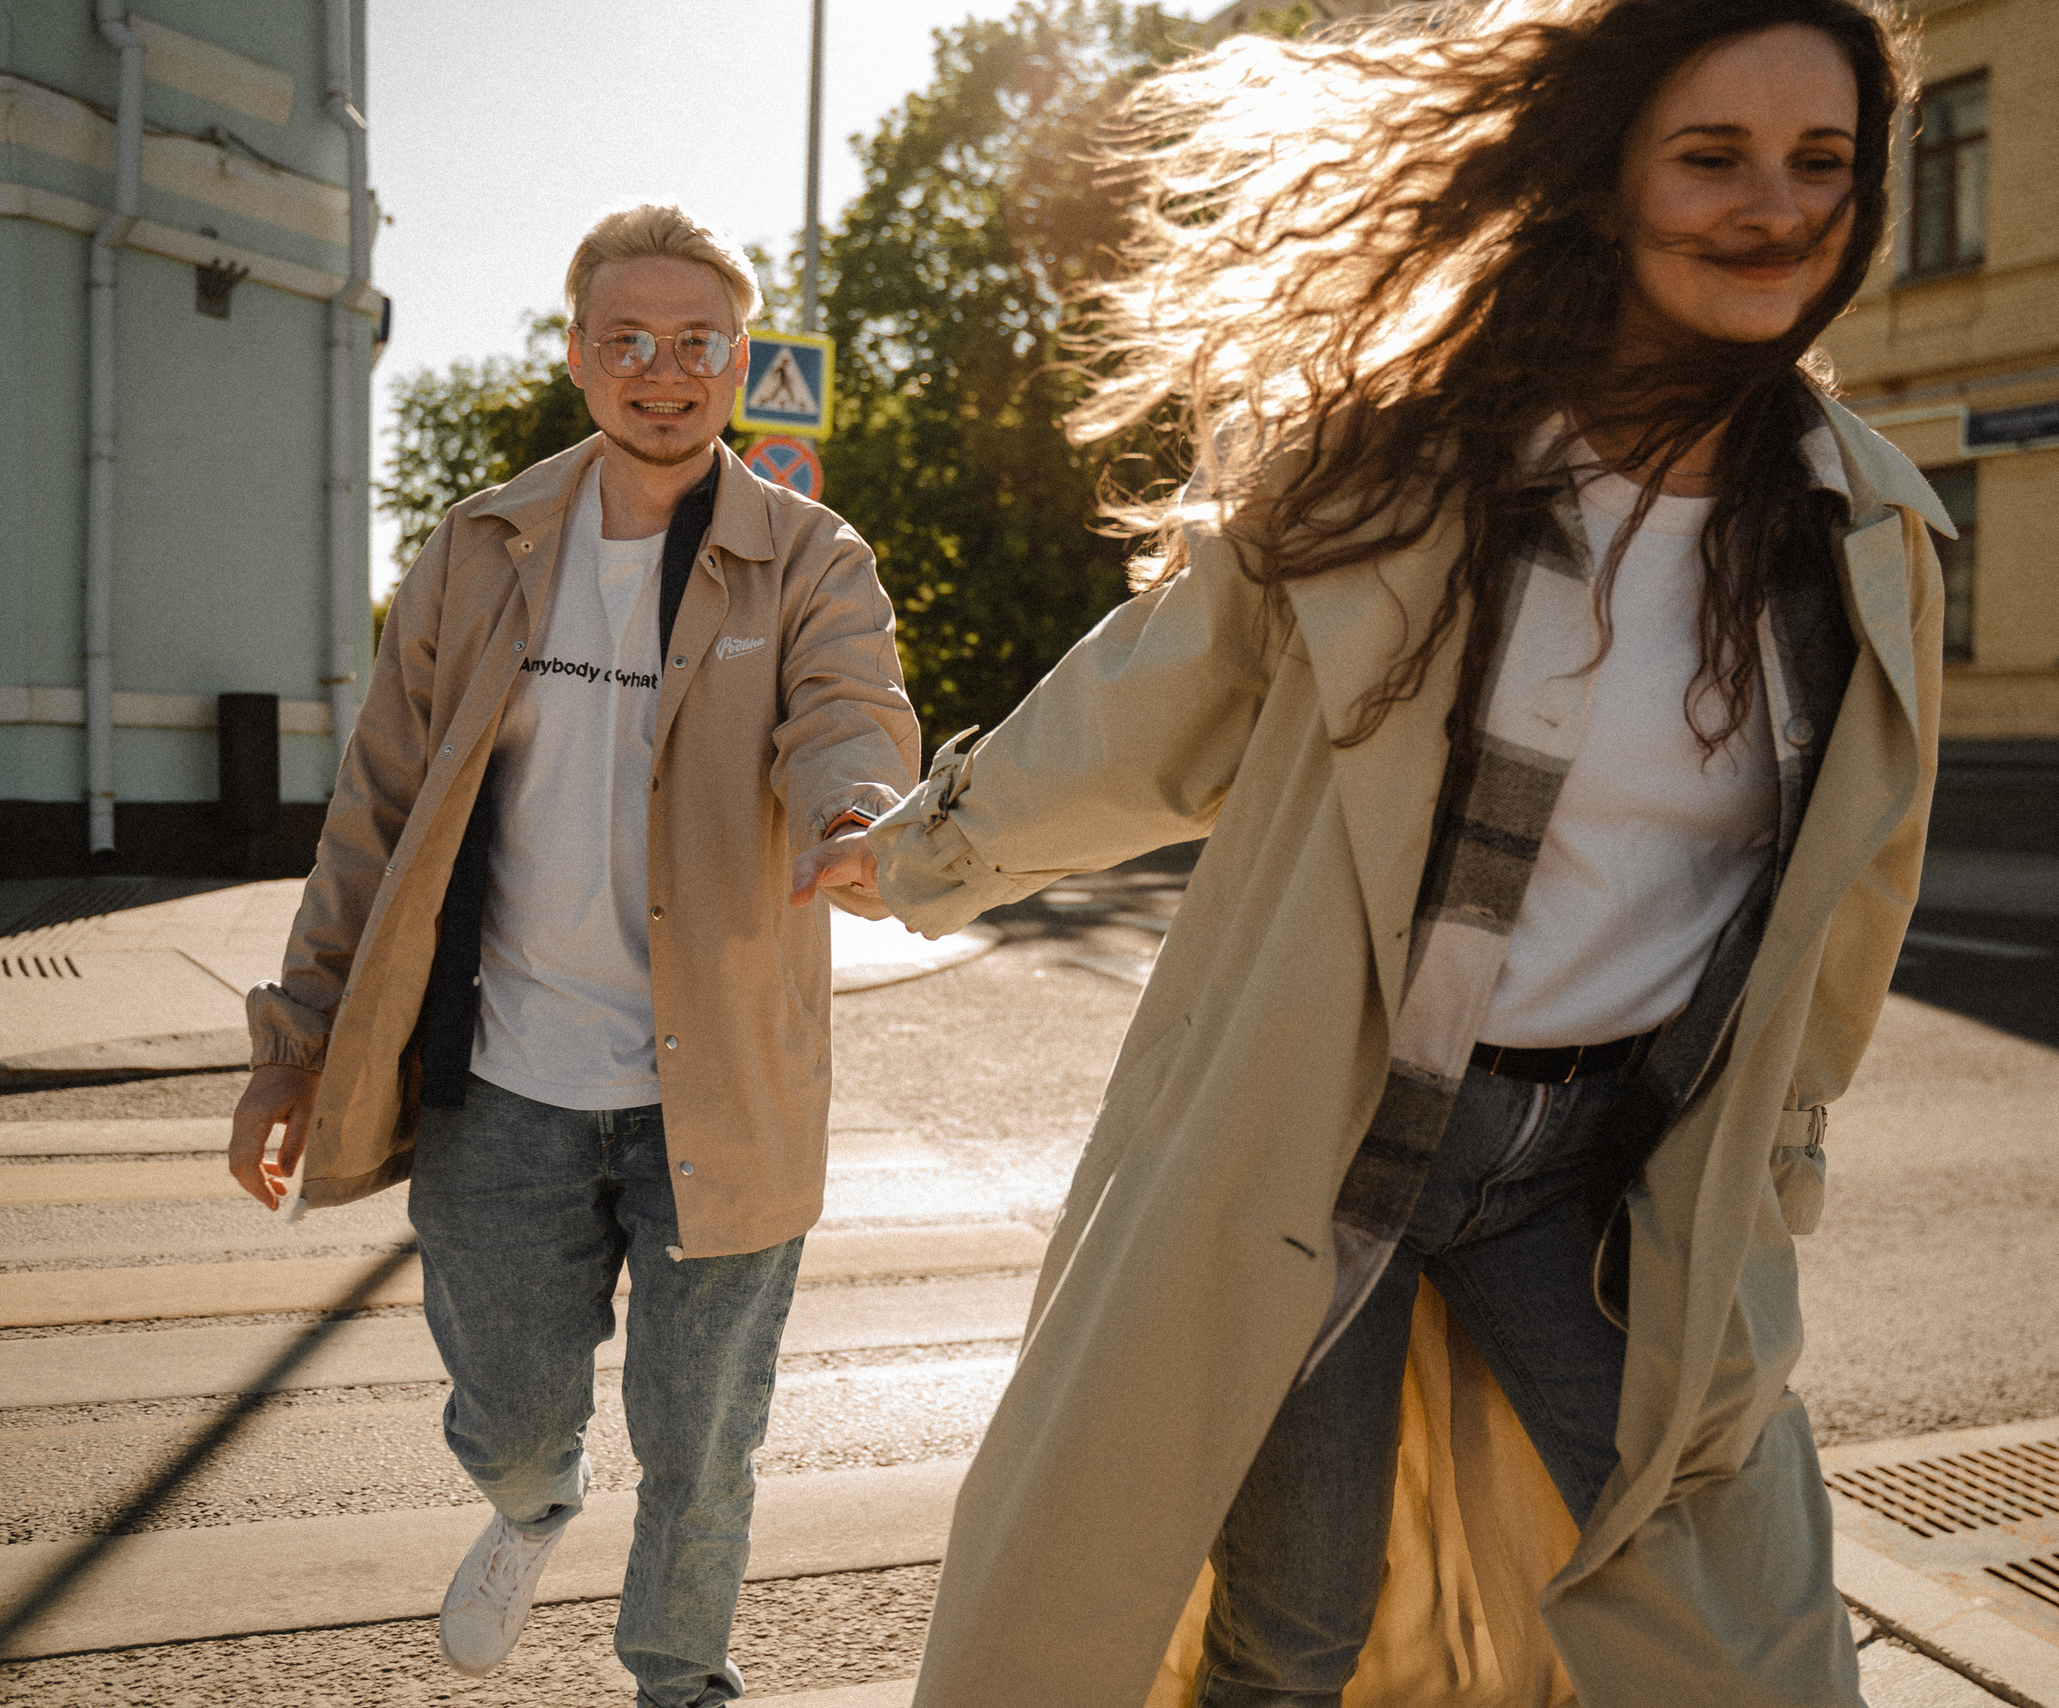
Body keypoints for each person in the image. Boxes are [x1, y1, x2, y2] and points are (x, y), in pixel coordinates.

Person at [811, 1, 1944, 1702]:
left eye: (1821, 161)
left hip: (1611, 1181)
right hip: (1330, 1143)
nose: (1775, 208)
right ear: (1609, 182)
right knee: (1293, 1637)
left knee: (1748, 1642)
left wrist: (1778, 1164)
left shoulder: (1863, 529)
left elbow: (1850, 906)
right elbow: (1152, 702)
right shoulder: (1407, 468)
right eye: (1713, 157)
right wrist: (923, 852)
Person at [227, 205, 918, 1706]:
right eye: (629, 340)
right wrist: (297, 1043)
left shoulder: (807, 556)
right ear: (578, 357)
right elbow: (377, 808)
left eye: (696, 342)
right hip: (502, 1081)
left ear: (739, 359)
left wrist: (856, 809)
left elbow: (849, 709)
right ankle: (534, 1506)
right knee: (515, 1421)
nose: (663, 371)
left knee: (703, 1445)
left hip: (722, 1084)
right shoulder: (483, 547)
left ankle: (681, 1679)